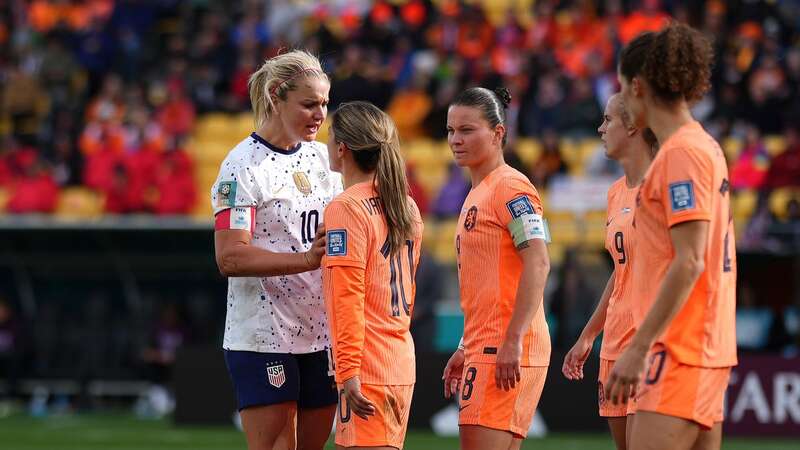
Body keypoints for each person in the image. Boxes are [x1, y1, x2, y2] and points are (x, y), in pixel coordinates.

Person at [606, 23, 737, 450]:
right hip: (696, 346)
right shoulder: (699, 147)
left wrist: (638, 347)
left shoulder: (681, 153)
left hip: (679, 349)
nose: (622, 101)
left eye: (623, 89)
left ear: (638, 86)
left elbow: (690, 259)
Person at [211, 50, 341, 450]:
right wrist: (305, 260)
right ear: (275, 97)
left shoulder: (325, 156)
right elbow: (230, 256)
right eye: (308, 103)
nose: (320, 113)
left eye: (323, 103)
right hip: (263, 336)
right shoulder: (241, 167)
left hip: (321, 333)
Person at [441, 87, 551, 450]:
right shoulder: (477, 191)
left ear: (499, 133)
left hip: (503, 346)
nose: (456, 140)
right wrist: (464, 344)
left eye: (467, 130)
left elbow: (539, 259)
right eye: (450, 130)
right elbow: (486, 282)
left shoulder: (511, 187)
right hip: (485, 344)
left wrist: (514, 339)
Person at [322, 101, 423, 450]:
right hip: (399, 361)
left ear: (341, 149)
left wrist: (348, 371)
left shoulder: (345, 207)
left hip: (367, 369)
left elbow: (347, 296)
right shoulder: (405, 205)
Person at [561, 93, 657, 450]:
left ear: (632, 126)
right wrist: (589, 335)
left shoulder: (660, 188)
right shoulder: (616, 193)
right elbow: (621, 271)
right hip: (614, 342)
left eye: (607, 121)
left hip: (648, 342)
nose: (600, 129)